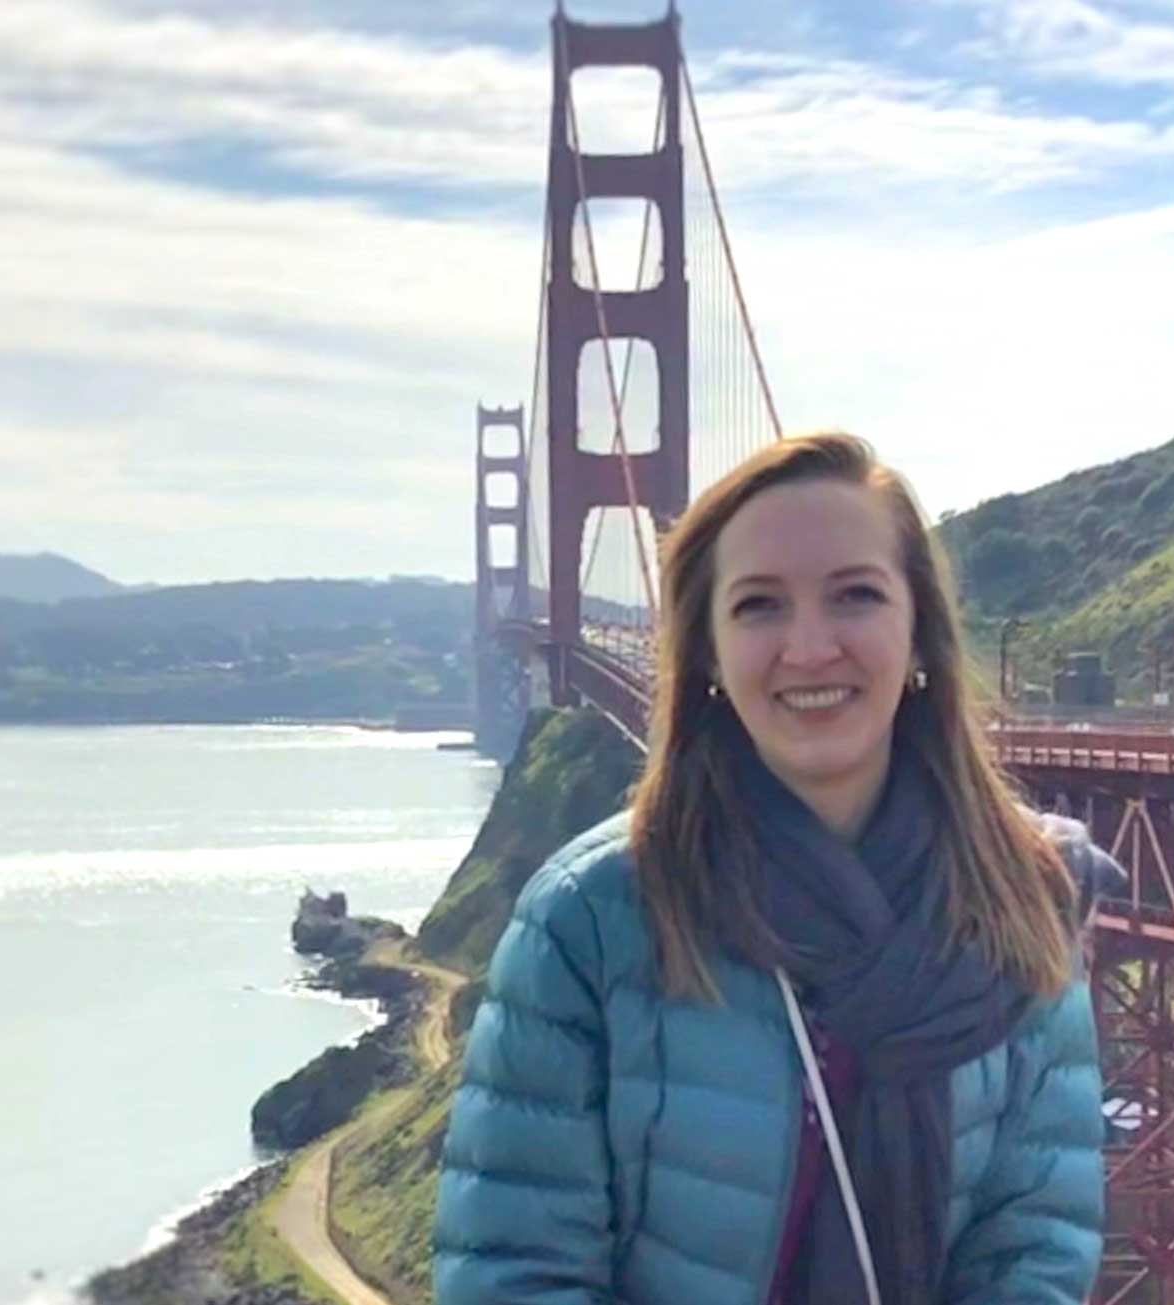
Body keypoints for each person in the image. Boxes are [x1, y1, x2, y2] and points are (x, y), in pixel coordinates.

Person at [432, 432, 1113, 1304]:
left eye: (855, 595)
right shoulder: (590, 917)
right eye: (758, 606)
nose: (809, 646)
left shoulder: (1021, 896)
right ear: (707, 651)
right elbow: (510, 1273)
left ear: (920, 636)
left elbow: (1036, 1245)